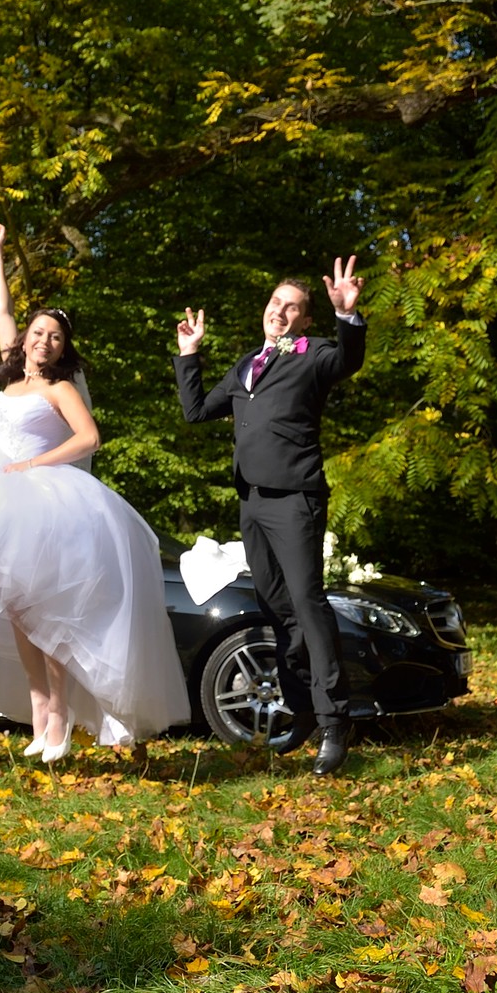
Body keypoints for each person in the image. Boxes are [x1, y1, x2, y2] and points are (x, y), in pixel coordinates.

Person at [0, 223, 190, 761]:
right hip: (1, 489)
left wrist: (32, 464)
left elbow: (89, 436)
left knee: (48, 614)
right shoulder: (12, 376)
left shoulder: (58, 387)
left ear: (62, 348)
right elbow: (2, 311)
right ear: (26, 339)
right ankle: (40, 712)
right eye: (37, 332)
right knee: (19, 614)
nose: (43, 341)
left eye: (54, 337)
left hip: (46, 499)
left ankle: (61, 716)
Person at [173, 258, 366, 775]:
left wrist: (347, 317)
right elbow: (195, 412)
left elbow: (348, 360)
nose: (279, 312)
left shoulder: (315, 355)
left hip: (295, 500)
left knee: (306, 602)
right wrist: (189, 354)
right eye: (275, 303)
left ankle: (334, 723)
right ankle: (301, 710)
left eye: (292, 308)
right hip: (252, 503)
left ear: (305, 320)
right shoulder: (244, 366)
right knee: (277, 608)